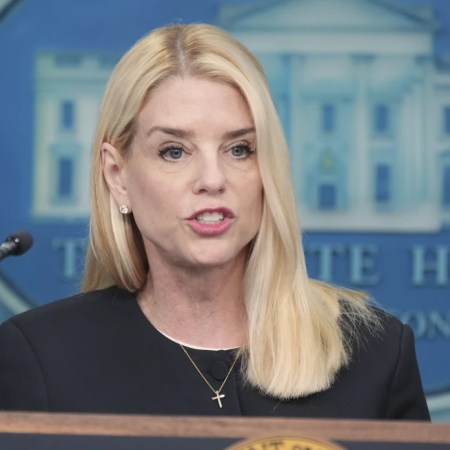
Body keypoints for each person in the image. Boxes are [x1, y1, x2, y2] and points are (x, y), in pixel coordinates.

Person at [0, 23, 429, 419]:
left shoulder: (377, 354)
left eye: (239, 149)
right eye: (174, 151)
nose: (212, 179)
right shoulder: (40, 357)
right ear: (118, 176)